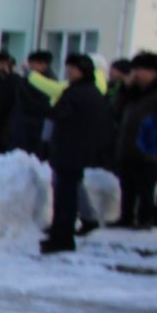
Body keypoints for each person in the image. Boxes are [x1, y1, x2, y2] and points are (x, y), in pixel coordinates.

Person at [38, 53, 114, 254]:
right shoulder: (93, 92)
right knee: (68, 194)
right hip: (79, 151)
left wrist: (44, 107)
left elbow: (58, 113)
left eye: (72, 69)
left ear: (82, 71)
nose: (68, 72)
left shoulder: (76, 93)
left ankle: (62, 237)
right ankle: (62, 235)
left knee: (65, 197)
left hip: (68, 151)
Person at [108, 53, 157, 229]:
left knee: (146, 186)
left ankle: (146, 218)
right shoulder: (132, 91)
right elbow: (115, 111)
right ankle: (126, 216)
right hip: (127, 145)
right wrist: (125, 90)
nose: (136, 74)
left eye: (140, 70)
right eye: (135, 69)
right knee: (127, 185)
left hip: (149, 149)